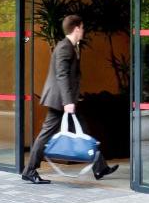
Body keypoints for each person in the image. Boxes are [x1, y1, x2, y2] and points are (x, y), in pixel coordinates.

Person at [22, 14, 119, 184]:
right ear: (76, 29)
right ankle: (29, 170)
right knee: (45, 135)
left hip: (65, 100)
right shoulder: (65, 48)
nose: (83, 31)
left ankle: (100, 167)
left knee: (84, 131)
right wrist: (67, 102)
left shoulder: (69, 46)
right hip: (60, 101)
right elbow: (62, 75)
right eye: (82, 28)